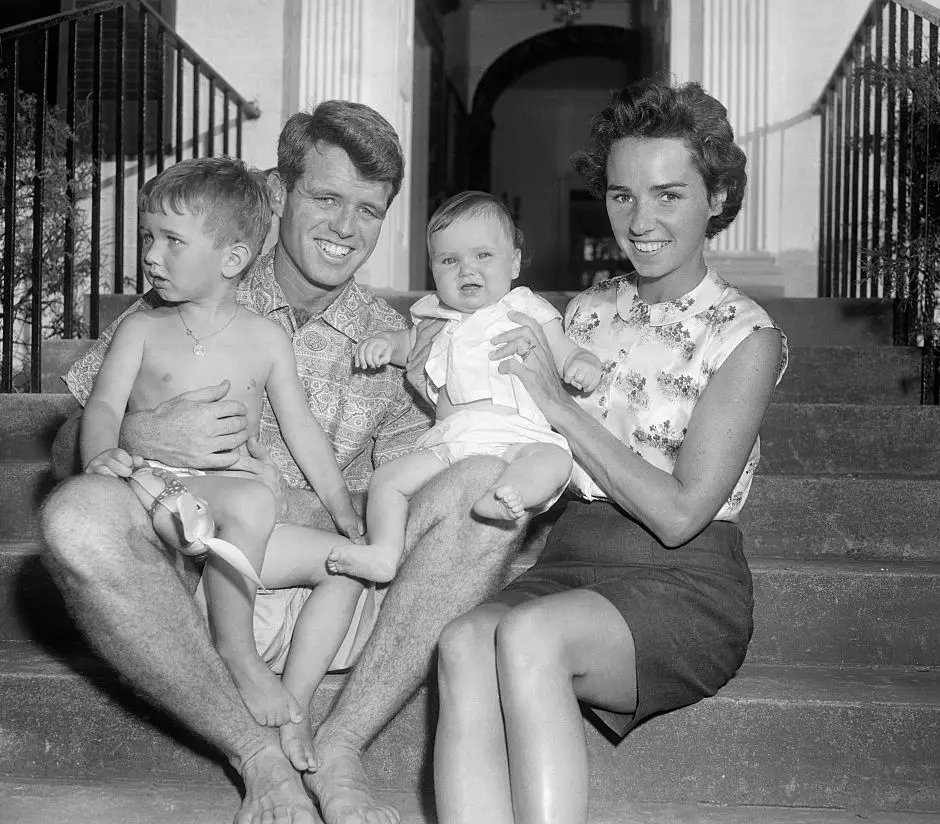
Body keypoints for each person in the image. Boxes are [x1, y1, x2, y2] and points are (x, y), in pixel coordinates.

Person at [40, 100, 529, 824]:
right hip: (189, 567)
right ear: (278, 192)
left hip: (320, 588)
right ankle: (257, 754)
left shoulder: (402, 342)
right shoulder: (180, 288)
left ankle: (341, 744)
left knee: (484, 488)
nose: (345, 228)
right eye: (327, 198)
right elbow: (67, 447)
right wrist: (148, 434)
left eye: (368, 209)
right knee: (75, 518)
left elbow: (403, 501)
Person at [432, 79, 789, 824]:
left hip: (682, 582)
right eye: (622, 196)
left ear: (717, 197)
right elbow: (510, 427)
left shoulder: (744, 337)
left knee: (528, 636)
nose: (641, 219)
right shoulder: (586, 312)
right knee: (465, 641)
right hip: (571, 558)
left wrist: (559, 405)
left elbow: (680, 512)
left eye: (668, 194)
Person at [80, 155, 370, 762]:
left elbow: (302, 429)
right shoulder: (141, 329)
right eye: (147, 238)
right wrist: (103, 456)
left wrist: (343, 507)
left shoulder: (265, 338)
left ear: (233, 259)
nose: (150, 255)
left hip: (235, 526)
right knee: (254, 497)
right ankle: (237, 654)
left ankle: (296, 703)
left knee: (349, 565)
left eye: (171, 241)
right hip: (159, 495)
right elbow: (102, 406)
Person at [332, 191, 602, 582]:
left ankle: (510, 495)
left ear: (513, 262)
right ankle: (383, 552)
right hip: (451, 443)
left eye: (483, 256)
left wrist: (582, 363)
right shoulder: (434, 317)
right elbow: (406, 346)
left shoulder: (527, 311)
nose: (466, 270)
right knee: (386, 480)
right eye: (449, 260)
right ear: (433, 270)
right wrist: (385, 344)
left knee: (555, 462)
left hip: (518, 437)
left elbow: (563, 350)